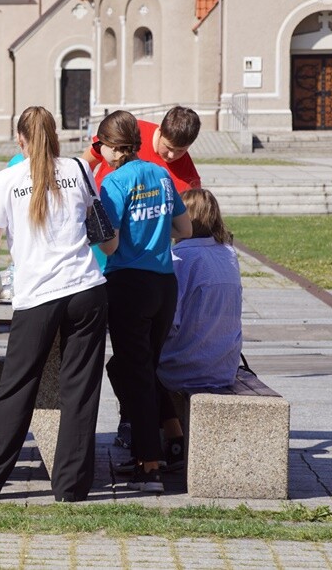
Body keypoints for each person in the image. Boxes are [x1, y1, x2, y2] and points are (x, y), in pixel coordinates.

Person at [0, 105, 109, 502]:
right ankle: (71, 487)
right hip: (87, 290)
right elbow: (104, 236)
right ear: (55, 134)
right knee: (80, 390)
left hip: (39, 296)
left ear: (20, 140)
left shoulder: (7, 180)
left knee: (16, 388)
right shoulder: (79, 169)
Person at [86, 106, 201, 450]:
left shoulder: (113, 182)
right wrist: (155, 233)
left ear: (110, 147)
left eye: (100, 148)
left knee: (134, 371)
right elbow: (186, 227)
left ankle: (147, 460)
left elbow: (110, 245)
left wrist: (93, 224)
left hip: (129, 284)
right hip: (164, 283)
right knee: (145, 366)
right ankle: (175, 438)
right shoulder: (162, 175)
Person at [159, 188, 243, 392]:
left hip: (184, 368)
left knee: (129, 360)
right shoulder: (228, 254)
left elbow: (170, 321)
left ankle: (143, 423)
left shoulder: (179, 257)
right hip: (224, 367)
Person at [84, 106, 201, 194]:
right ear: (160, 131)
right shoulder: (130, 132)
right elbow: (84, 163)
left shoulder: (187, 171)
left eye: (180, 150)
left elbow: (192, 206)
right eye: (168, 147)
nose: (172, 155)